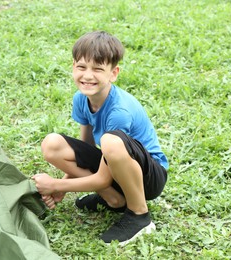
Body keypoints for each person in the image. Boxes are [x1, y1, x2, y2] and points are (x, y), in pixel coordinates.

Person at [32, 31, 168, 245]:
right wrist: (67, 181)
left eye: (97, 69)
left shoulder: (119, 112)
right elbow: (86, 152)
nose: (88, 76)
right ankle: (114, 199)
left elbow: (103, 177)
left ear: (113, 73)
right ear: (73, 67)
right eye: (81, 67)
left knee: (110, 142)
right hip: (114, 166)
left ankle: (139, 215)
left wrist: (56, 186)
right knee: (53, 144)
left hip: (148, 178)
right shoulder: (81, 98)